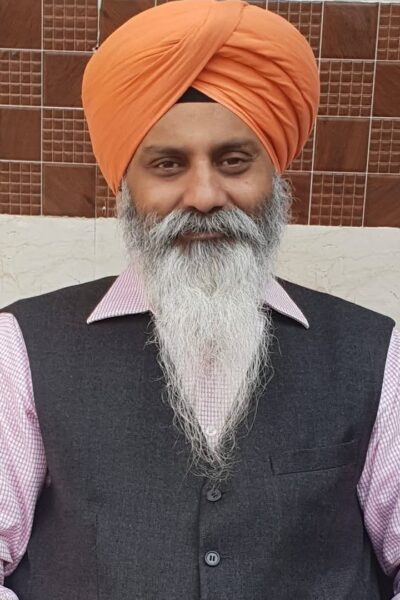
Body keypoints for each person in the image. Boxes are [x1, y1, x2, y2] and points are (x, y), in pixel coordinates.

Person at [0, 1, 399, 598]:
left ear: (275, 177)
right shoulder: (22, 348)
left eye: (234, 161)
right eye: (168, 165)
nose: (205, 195)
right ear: (126, 186)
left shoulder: (374, 352)